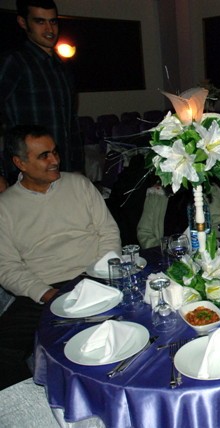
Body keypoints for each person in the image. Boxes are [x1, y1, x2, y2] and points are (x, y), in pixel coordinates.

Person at [0, 125, 120, 389]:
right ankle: (30, 403)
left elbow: (108, 232)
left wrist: (102, 274)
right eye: (44, 156)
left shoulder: (79, 184)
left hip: (94, 276)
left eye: (55, 152)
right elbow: (6, 267)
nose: (55, 160)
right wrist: (44, 293)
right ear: (20, 163)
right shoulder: (5, 207)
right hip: (44, 289)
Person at [0, 0, 83, 179]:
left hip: (63, 169)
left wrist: (78, 168)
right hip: (28, 173)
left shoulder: (62, 67)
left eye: (53, 21)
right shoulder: (14, 62)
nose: (49, 29)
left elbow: (71, 123)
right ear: (23, 23)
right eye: (40, 21)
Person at [137, 182, 220, 250]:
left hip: (202, 257)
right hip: (164, 260)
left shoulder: (208, 190)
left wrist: (204, 246)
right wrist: (165, 248)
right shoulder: (157, 193)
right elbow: (144, 232)